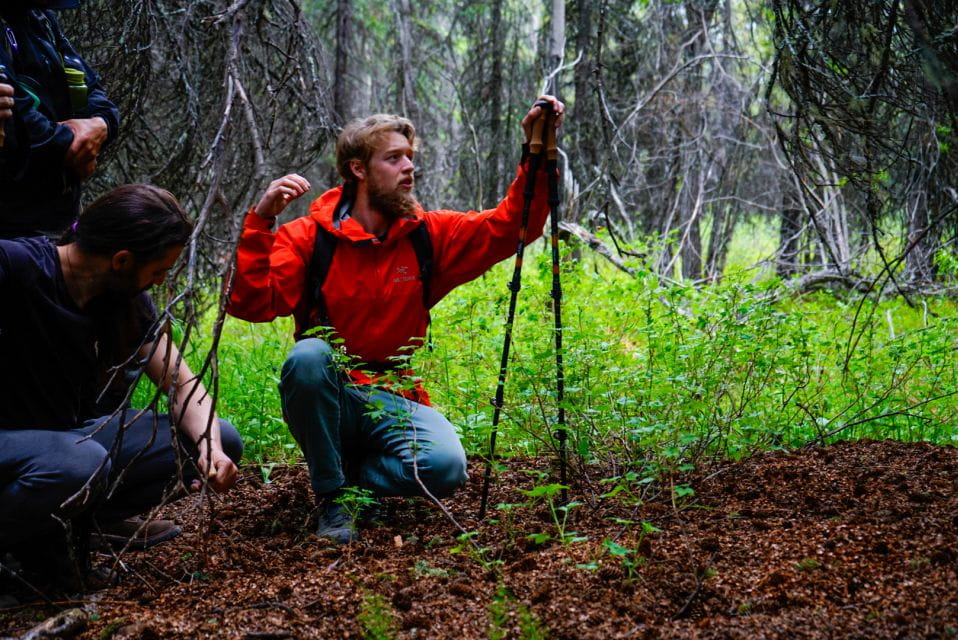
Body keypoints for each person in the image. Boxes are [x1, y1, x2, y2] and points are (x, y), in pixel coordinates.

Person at [228, 96, 564, 544]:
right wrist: (263, 220)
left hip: (395, 393)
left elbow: (510, 227)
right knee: (309, 356)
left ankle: (352, 478)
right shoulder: (309, 238)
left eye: (410, 157)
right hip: (334, 394)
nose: (409, 167)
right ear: (358, 170)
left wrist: (537, 152)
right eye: (393, 158)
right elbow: (251, 305)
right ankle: (334, 500)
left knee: (446, 467)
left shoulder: (427, 235)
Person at [0, 184, 243, 589]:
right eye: (159, 271)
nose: (161, 280)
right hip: (22, 446)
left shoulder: (122, 297)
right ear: (122, 260)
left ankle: (63, 537)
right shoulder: (15, 265)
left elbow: (181, 382)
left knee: (217, 438)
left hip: (63, 443)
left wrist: (210, 449)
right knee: (80, 462)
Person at [0, 0, 120, 239]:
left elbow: (92, 89)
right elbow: (16, 117)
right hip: (10, 225)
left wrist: (101, 124)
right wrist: (70, 144)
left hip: (55, 221)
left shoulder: (40, 18)